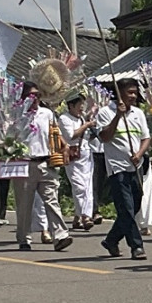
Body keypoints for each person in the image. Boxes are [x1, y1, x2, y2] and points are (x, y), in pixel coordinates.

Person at [97, 77, 152, 259]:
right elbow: (104, 137)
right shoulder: (105, 112)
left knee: (135, 204)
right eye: (129, 92)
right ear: (118, 93)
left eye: (135, 92)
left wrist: (139, 154)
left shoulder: (138, 113)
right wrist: (117, 116)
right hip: (117, 167)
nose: (133, 96)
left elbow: (146, 138)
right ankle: (136, 246)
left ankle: (112, 239)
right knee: (126, 208)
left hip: (135, 167)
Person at [14, 88, 73, 252]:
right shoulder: (16, 115)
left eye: (38, 95)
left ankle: (61, 236)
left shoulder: (47, 113)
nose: (35, 99)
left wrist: (65, 146)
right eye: (32, 95)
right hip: (25, 163)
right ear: (24, 97)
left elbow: (55, 133)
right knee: (24, 205)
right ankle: (24, 238)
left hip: (46, 162)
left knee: (52, 201)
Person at [59, 92, 98, 231]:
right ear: (71, 105)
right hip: (72, 156)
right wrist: (87, 125)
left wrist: (92, 128)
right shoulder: (64, 118)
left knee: (87, 187)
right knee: (79, 186)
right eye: (79, 104)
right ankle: (84, 216)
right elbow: (71, 135)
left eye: (83, 104)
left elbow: (87, 138)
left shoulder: (81, 118)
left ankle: (81, 216)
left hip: (86, 154)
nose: (82, 107)